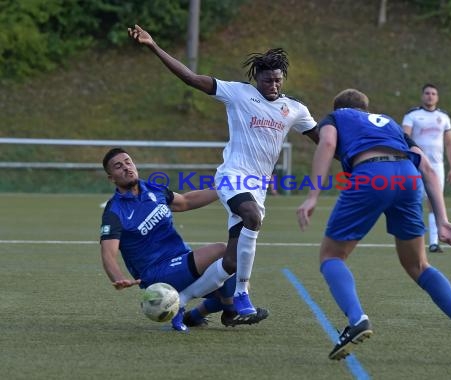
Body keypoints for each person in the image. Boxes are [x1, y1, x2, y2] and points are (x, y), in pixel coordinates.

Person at [127, 25, 319, 318]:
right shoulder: (237, 93)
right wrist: (153, 46)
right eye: (268, 81)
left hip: (256, 186)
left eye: (278, 81)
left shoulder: (294, 109)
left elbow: (324, 139)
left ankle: (184, 305)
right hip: (232, 176)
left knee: (230, 262)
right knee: (252, 217)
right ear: (256, 78)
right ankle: (242, 295)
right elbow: (191, 79)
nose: (274, 86)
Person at [297, 89, 451, 364]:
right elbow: (427, 168)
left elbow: (327, 144)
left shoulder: (337, 117)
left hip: (372, 175)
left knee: (331, 256)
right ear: (367, 109)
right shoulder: (389, 122)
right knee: (419, 266)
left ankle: (356, 319)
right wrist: (442, 219)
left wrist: (313, 195)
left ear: (339, 108)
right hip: (408, 177)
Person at [99, 148, 268, 331]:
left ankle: (194, 316)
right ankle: (229, 310)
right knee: (223, 251)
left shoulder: (153, 189)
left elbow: (186, 201)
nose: (126, 167)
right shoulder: (114, 211)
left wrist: (227, 188)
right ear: (111, 178)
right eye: (118, 166)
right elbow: (108, 254)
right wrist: (118, 278)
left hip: (181, 259)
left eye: (128, 162)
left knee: (235, 282)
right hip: (156, 273)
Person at [402, 84, 451, 253]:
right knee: (414, 200)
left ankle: (434, 241)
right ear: (422, 96)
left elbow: (449, 143)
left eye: (433, 93)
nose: (430, 96)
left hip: (437, 166)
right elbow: (404, 137)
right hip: (415, 164)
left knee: (434, 201)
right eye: (427, 93)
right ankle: (412, 240)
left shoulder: (444, 117)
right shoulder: (412, 115)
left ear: (437, 97)